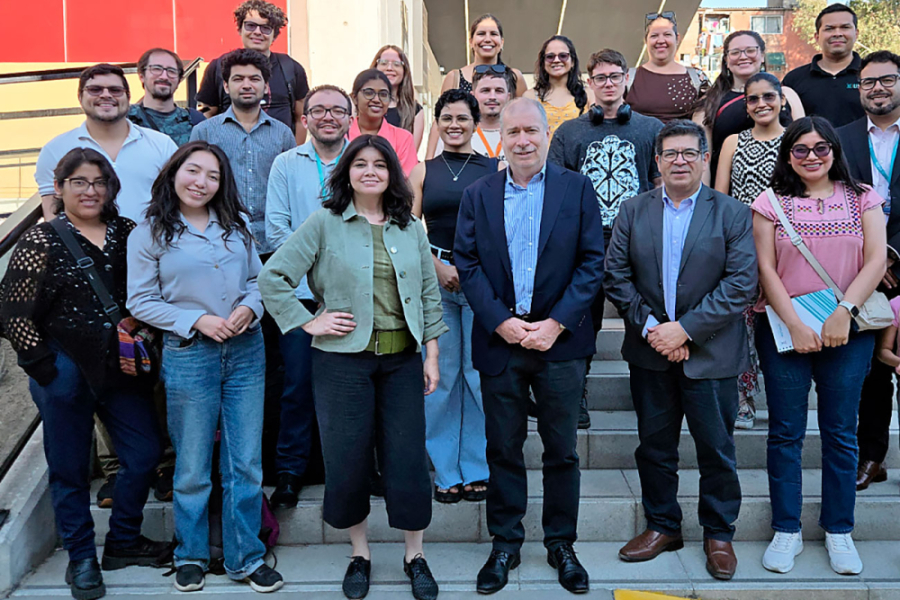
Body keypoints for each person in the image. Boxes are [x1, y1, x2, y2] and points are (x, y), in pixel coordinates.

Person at [258, 134, 447, 600]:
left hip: (401, 360)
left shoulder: (409, 227)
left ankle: (415, 555)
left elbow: (428, 293)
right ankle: (359, 554)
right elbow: (273, 277)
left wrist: (432, 355)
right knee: (348, 458)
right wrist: (309, 320)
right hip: (341, 362)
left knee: (407, 460)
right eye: (360, 163)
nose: (370, 172)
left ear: (391, 174)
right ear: (346, 172)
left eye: (379, 165)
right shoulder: (324, 222)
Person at [0, 148, 168, 600]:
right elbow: (11, 313)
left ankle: (124, 540)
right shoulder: (40, 240)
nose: (90, 191)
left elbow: (147, 291)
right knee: (69, 468)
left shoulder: (127, 232)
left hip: (120, 367)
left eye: (98, 182)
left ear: (111, 187)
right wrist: (45, 369)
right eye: (79, 182)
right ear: (59, 187)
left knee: (144, 454)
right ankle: (81, 558)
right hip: (64, 368)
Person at [455, 98, 604, 595]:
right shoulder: (478, 194)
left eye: (531, 131)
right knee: (503, 448)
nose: (522, 140)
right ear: (501, 137)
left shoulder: (577, 189)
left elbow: (592, 263)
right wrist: (500, 322)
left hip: (559, 344)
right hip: (501, 344)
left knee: (562, 451)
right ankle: (505, 542)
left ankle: (561, 543)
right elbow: (467, 264)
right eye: (513, 131)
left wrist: (556, 324)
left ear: (546, 134)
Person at [604, 119, 757, 581]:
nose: (680, 161)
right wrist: (656, 329)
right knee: (655, 447)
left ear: (705, 158)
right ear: (657, 161)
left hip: (711, 354)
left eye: (689, 153)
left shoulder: (731, 213)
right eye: (670, 154)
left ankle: (719, 533)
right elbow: (616, 276)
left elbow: (740, 284)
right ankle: (663, 525)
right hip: (651, 351)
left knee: (717, 449)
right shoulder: (633, 210)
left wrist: (685, 331)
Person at [127, 141, 283, 593]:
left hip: (246, 350)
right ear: (174, 173)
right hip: (190, 353)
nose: (202, 182)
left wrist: (251, 307)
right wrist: (195, 319)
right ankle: (190, 554)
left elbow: (258, 280)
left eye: (213, 176)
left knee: (245, 462)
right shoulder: (150, 233)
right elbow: (140, 301)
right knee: (193, 464)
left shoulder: (236, 225)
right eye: (193, 171)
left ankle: (246, 556)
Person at [752, 116, 886, 576]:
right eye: (801, 149)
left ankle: (839, 529)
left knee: (841, 432)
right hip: (784, 330)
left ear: (834, 150)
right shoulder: (770, 202)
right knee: (785, 432)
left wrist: (843, 311)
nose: (811, 157)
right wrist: (794, 324)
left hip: (847, 331)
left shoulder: (864, 197)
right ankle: (786, 528)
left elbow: (876, 260)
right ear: (788, 155)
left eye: (820, 148)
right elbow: (766, 269)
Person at [549, 48, 664, 429]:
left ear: (626, 79)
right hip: (587, 244)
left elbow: (660, 186)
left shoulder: (651, 129)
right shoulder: (569, 133)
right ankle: (576, 394)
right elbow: (557, 192)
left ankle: (650, 398)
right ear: (590, 83)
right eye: (601, 78)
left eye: (615, 76)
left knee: (642, 320)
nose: (609, 83)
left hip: (637, 243)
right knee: (583, 322)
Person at [263, 84, 351, 508]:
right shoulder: (285, 164)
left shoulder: (364, 160)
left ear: (350, 118)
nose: (328, 117)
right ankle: (290, 471)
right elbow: (276, 229)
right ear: (304, 119)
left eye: (337, 110)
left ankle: (354, 469)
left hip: (353, 295)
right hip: (299, 296)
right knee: (296, 385)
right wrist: (314, 270)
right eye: (319, 110)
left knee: (353, 387)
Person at [409, 89, 498, 504]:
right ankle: (446, 470)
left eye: (463, 118)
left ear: (476, 123)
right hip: (436, 279)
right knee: (440, 377)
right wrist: (437, 267)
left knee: (477, 375)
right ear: (438, 123)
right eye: (446, 118)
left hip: (482, 281)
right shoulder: (422, 171)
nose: (454, 125)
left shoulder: (495, 169)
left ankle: (477, 467)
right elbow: (407, 229)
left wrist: (472, 270)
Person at [837, 50, 900, 492]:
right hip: (859, 269)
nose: (877, 89)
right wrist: (870, 259)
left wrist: (891, 253)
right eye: (868, 82)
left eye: (887, 80)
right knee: (872, 370)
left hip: (895, 262)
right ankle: (872, 456)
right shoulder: (841, 139)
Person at [715, 72, 787, 430]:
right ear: (746, 106)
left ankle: (783, 398)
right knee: (740, 325)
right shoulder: (733, 142)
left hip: (788, 246)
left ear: (782, 100)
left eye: (768, 96)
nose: (761, 104)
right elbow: (721, 198)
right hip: (742, 245)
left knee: (780, 322)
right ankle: (744, 400)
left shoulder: (796, 140)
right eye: (753, 99)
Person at [34, 63, 178, 221]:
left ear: (128, 97)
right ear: (80, 97)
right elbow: (52, 212)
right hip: (83, 238)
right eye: (95, 90)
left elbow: (179, 202)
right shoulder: (55, 150)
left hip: (152, 237)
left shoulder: (162, 145)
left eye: (115, 90)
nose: (106, 95)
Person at [694, 30, 804, 181]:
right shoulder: (709, 103)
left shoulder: (787, 95)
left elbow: (804, 143)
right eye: (735, 52)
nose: (743, 56)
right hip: (732, 189)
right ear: (726, 59)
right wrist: (706, 194)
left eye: (750, 50)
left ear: (762, 55)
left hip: (786, 185)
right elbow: (702, 160)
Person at [196, 0, 310, 144]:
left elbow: (301, 118)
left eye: (265, 28)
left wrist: (294, 153)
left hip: (279, 153)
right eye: (250, 25)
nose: (257, 32)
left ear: (274, 35)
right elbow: (207, 114)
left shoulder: (291, 68)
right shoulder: (218, 67)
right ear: (240, 29)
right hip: (229, 152)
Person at [424, 13, 526, 158]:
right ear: (471, 41)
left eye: (493, 34)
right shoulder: (455, 77)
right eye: (481, 34)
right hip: (465, 152)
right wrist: (429, 159)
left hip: (505, 151)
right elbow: (440, 121)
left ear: (501, 42)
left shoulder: (514, 77)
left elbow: (524, 115)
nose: (487, 39)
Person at [782, 4, 864, 128]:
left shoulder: (872, 77)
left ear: (856, 34)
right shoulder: (794, 80)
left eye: (845, 27)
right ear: (817, 37)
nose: (837, 33)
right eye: (829, 29)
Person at [625, 12, 709, 123]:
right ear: (646, 40)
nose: (660, 41)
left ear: (677, 38)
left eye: (667, 34)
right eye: (654, 36)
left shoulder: (698, 79)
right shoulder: (626, 78)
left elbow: (704, 125)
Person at [433, 65, 516, 161]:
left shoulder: (519, 133)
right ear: (473, 95)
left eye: (499, 91)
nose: (492, 97)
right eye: (485, 91)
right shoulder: (456, 133)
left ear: (508, 97)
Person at [127, 48, 205, 146]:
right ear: (142, 76)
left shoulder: (195, 121)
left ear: (179, 80)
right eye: (156, 69)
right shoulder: (125, 121)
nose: (164, 76)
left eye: (171, 71)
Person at [348, 69, 418, 176]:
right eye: (369, 93)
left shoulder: (403, 139)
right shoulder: (342, 135)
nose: (376, 99)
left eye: (383, 94)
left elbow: (406, 181)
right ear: (354, 98)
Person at [524, 35, 592, 136]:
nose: (556, 60)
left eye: (563, 56)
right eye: (550, 57)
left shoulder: (589, 94)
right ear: (543, 62)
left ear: (572, 62)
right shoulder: (530, 97)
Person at [371, 45, 425, 150]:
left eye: (396, 64)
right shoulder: (356, 104)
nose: (389, 68)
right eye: (384, 63)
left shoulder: (415, 112)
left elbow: (411, 154)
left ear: (404, 71)